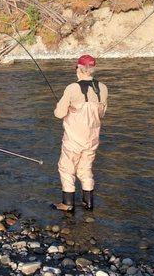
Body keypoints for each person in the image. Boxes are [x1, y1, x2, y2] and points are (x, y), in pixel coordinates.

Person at [53, 54, 108, 212]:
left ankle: (67, 203)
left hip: (74, 139)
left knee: (66, 168)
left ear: (79, 69)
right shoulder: (102, 88)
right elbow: (102, 114)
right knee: (85, 168)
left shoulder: (72, 88)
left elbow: (59, 114)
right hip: (92, 138)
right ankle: (88, 203)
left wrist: (61, 105)